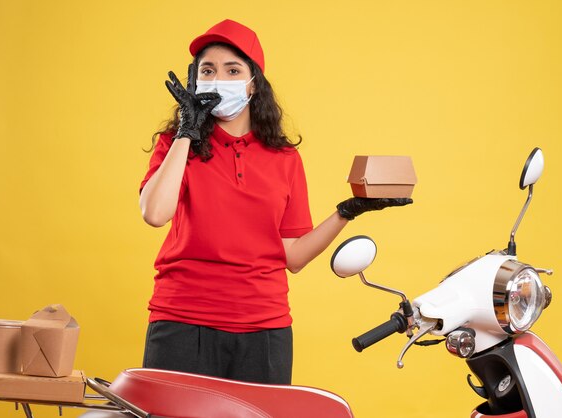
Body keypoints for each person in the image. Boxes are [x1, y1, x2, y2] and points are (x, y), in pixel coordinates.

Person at [139, 19, 411, 385]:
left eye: (232, 70)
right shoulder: (176, 146)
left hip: (263, 330)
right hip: (182, 322)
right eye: (208, 70)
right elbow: (155, 213)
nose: (219, 78)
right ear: (194, 81)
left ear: (253, 83)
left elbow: (293, 256)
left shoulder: (284, 159)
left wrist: (347, 212)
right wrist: (187, 132)